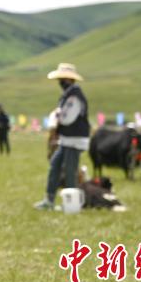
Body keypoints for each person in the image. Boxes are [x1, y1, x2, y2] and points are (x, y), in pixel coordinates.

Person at [35, 63, 90, 210]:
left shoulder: (74, 97)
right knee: (55, 165)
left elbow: (67, 118)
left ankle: (71, 204)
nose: (60, 82)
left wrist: (57, 117)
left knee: (70, 170)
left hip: (75, 140)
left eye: (62, 79)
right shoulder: (68, 96)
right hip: (66, 139)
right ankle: (49, 200)